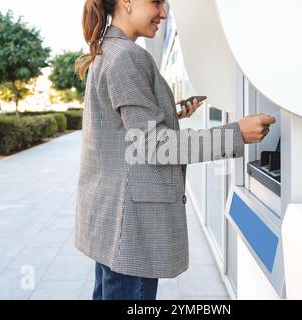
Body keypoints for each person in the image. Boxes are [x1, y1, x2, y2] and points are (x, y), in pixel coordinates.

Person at [74, 0, 276, 300]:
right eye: (156, 2)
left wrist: (173, 112)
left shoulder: (106, 50)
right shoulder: (127, 57)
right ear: (126, 2)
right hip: (130, 228)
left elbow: (123, 130)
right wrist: (236, 134)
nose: (164, 13)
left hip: (110, 222)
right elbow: (154, 145)